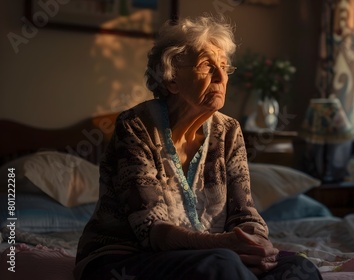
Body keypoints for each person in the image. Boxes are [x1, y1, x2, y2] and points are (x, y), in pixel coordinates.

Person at [74, 16, 323, 280]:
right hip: (126, 256)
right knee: (221, 264)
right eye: (207, 65)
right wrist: (224, 245)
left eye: (224, 66)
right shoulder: (136, 127)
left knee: (301, 267)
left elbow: (244, 212)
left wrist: (255, 244)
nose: (220, 76)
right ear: (172, 79)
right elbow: (151, 228)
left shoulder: (229, 131)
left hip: (209, 255)